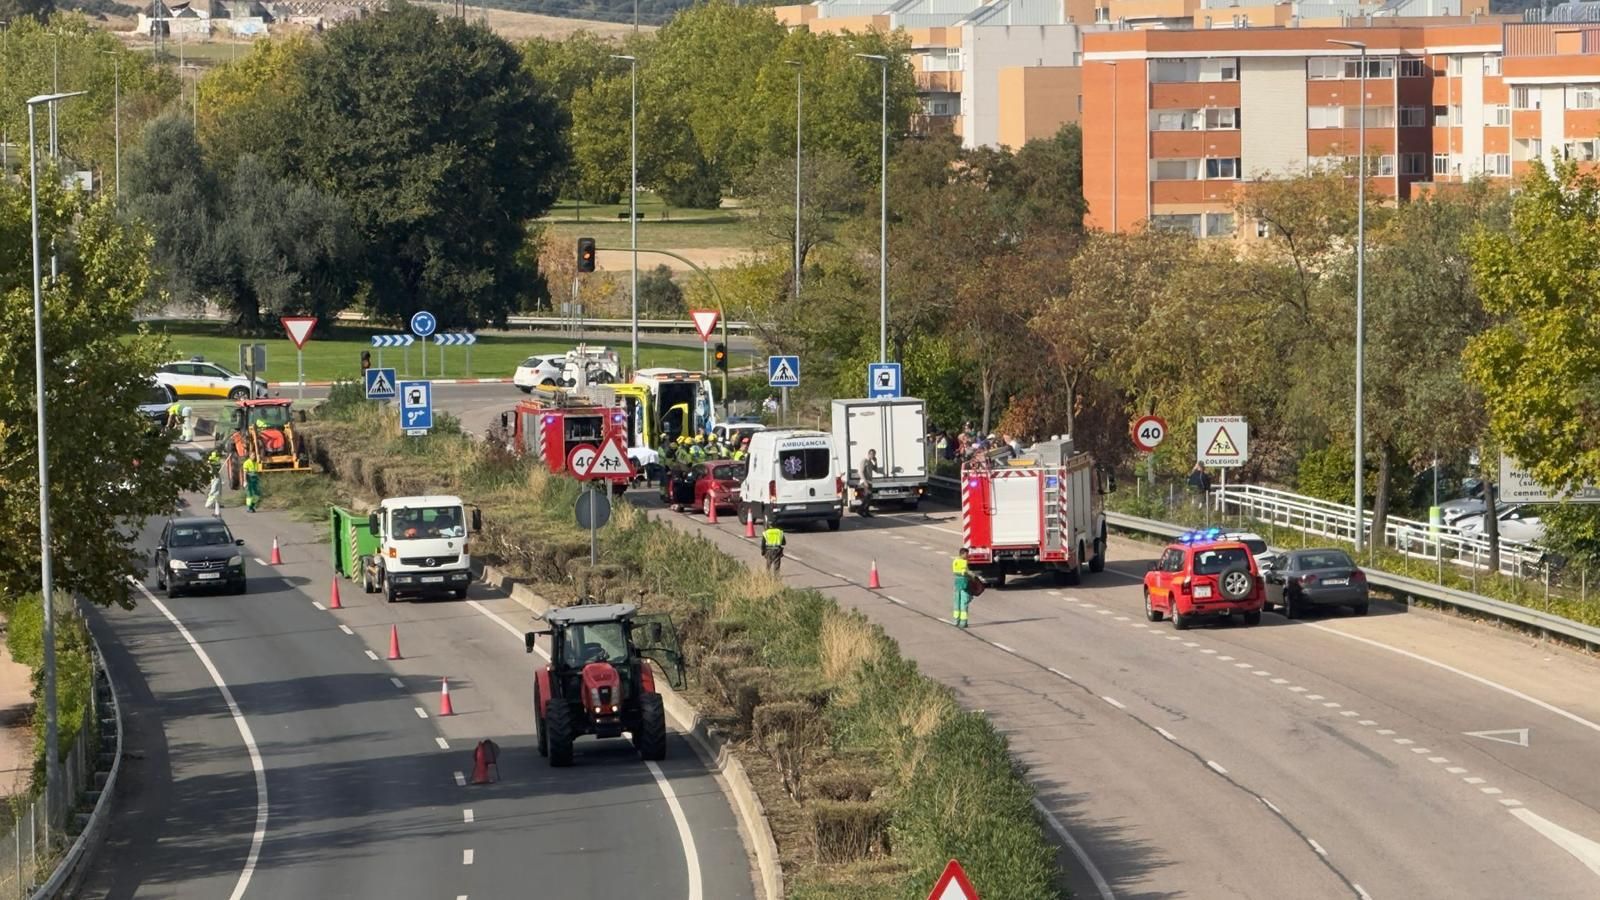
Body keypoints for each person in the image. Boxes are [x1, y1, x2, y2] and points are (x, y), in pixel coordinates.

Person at [951, 549, 972, 629]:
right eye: (967, 554)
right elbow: (965, 573)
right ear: (962, 554)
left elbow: (955, 572)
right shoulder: (963, 562)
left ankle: (956, 621)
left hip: (957, 583)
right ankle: (963, 622)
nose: (967, 556)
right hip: (964, 584)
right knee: (964, 602)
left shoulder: (955, 561)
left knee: (957, 602)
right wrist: (972, 577)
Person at [858, 449, 880, 518]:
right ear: (869, 454)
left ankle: (866, 512)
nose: (873, 455)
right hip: (865, 481)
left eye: (874, 454)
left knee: (869, 497)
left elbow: (876, 470)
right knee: (868, 496)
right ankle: (860, 510)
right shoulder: (864, 461)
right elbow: (860, 472)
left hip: (870, 481)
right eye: (872, 454)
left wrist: (876, 462)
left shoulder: (870, 462)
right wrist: (865, 481)